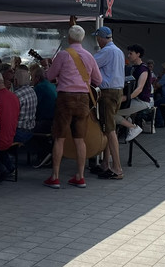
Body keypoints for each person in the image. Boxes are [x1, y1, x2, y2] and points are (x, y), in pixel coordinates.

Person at [45, 24, 102, 189]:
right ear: (82, 38)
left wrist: (48, 69)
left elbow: (50, 76)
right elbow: (98, 80)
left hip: (65, 98)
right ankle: (80, 176)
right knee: (80, 139)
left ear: (69, 38)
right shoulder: (89, 56)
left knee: (59, 138)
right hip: (83, 99)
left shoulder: (63, 55)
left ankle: (55, 177)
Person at [93, 26, 125, 179]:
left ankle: (117, 168)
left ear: (101, 38)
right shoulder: (118, 51)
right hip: (118, 92)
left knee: (110, 130)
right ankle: (105, 164)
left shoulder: (106, 51)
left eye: (97, 38)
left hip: (108, 92)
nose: (97, 41)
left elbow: (90, 65)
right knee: (109, 128)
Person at [116, 44, 152, 143]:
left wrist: (126, 98)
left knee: (112, 113)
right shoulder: (133, 68)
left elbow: (139, 89)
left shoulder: (143, 69)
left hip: (141, 101)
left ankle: (133, 127)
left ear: (138, 54)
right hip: (134, 99)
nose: (128, 55)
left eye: (131, 53)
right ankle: (129, 123)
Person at [13, 65, 36, 144]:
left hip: (19, 132)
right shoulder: (32, 91)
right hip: (31, 130)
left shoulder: (16, 95)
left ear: (16, 81)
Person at [31, 64, 56, 134]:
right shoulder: (52, 85)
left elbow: (33, 106)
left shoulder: (39, 88)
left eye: (32, 77)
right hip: (55, 121)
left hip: (45, 123)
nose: (31, 80)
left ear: (38, 77)